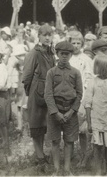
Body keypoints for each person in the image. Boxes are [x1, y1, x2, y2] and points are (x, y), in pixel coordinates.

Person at [44, 41, 83, 176]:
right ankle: (56, 169)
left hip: (70, 112)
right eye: (62, 54)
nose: (64, 57)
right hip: (55, 111)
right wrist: (55, 112)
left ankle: (67, 169)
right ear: (57, 54)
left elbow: (79, 94)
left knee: (69, 141)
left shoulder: (76, 73)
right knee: (55, 140)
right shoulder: (51, 72)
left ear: (71, 55)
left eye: (67, 54)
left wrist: (72, 111)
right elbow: (48, 94)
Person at [22, 24, 55, 164]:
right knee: (36, 123)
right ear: (39, 36)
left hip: (48, 91)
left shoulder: (50, 52)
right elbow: (27, 76)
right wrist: (32, 93)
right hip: (36, 91)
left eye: (50, 35)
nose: (47, 38)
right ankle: (39, 156)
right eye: (45, 35)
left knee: (44, 124)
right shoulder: (34, 53)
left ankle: (44, 154)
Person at [84, 55, 107, 175]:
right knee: (98, 147)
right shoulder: (93, 82)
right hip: (98, 119)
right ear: (102, 68)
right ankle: (98, 171)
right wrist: (89, 123)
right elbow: (88, 103)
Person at [67, 31, 93, 167]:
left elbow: (89, 81)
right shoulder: (66, 59)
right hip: (67, 98)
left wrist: (84, 101)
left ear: (82, 44)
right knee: (68, 129)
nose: (76, 46)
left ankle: (84, 157)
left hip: (81, 97)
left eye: (78, 43)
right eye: (73, 43)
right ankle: (69, 156)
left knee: (82, 130)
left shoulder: (86, 60)